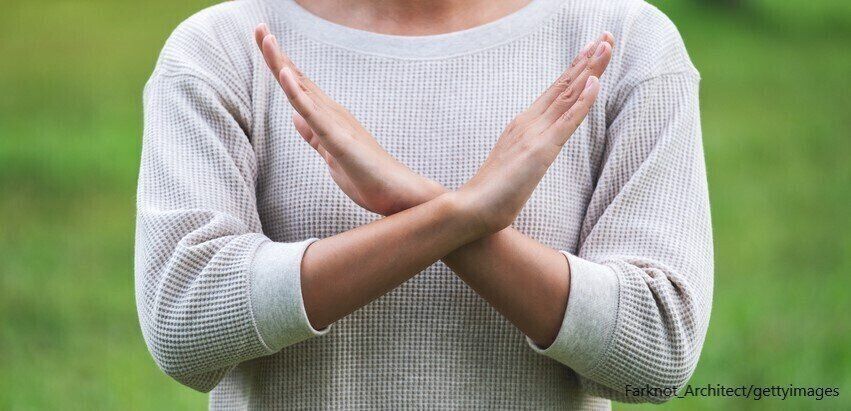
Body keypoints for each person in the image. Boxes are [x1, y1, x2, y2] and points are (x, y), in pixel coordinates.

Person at [136, 0, 713, 408]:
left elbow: (657, 348)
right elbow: (185, 320)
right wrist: (459, 215)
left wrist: (413, 200)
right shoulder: (222, 49)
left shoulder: (625, 43)